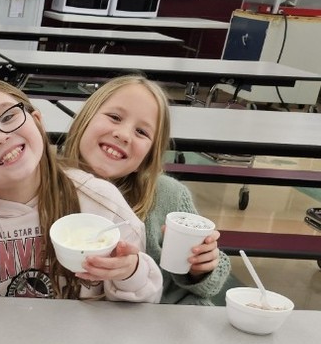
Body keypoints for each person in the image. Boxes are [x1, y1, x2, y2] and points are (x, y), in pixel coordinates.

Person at [0, 78, 162, 301]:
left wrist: (130, 271)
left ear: (38, 123)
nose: (0, 136)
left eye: (8, 117)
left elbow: (144, 301)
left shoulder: (100, 200)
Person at [59, 75, 232, 305]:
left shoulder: (167, 195)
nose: (123, 134)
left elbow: (210, 282)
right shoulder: (45, 185)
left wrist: (201, 266)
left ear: (148, 156)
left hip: (160, 322)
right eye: (114, 117)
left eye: (141, 132)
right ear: (84, 120)